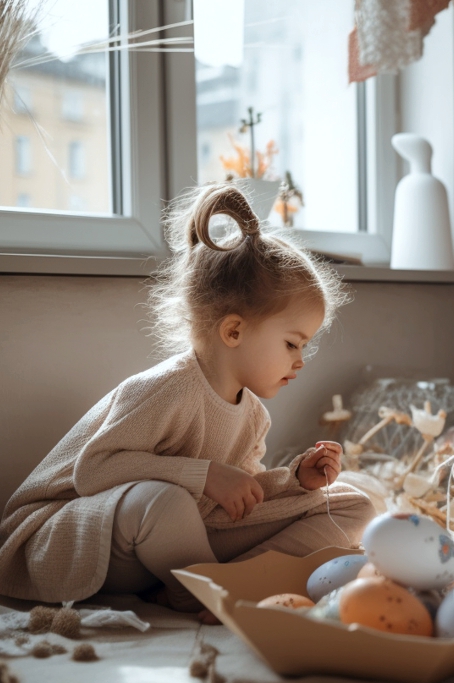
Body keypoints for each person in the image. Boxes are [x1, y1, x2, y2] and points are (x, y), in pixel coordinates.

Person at [0, 184, 375, 620]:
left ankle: (232, 580)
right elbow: (93, 470)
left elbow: (237, 503)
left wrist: (295, 483)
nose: (301, 361)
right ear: (234, 331)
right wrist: (206, 475)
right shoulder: (166, 388)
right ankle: (208, 589)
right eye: (293, 344)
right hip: (80, 534)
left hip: (174, 544)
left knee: (354, 503)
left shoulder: (253, 415)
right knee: (166, 502)